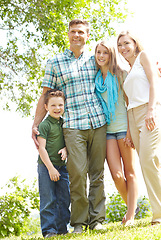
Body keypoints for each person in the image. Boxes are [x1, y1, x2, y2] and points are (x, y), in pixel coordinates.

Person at [32, 19, 107, 233]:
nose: (77, 35)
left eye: (81, 32)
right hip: (73, 125)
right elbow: (46, 94)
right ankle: (79, 222)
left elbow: (117, 71)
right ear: (68, 34)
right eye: (73, 31)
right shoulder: (54, 62)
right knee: (77, 174)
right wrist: (36, 123)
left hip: (98, 121)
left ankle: (97, 220)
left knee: (97, 173)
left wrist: (151, 68)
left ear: (87, 36)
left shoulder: (95, 59)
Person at [117, 30, 161, 225]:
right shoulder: (127, 70)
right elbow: (128, 102)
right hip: (133, 116)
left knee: (149, 161)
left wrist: (151, 109)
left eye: (126, 43)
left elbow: (154, 82)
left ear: (135, 43)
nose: (123, 48)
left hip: (148, 111)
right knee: (154, 164)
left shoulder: (144, 56)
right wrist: (128, 130)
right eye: (120, 45)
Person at [94, 40, 139, 226]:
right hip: (107, 131)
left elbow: (130, 103)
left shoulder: (121, 75)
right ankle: (132, 204)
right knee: (117, 175)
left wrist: (130, 130)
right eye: (98, 52)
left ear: (111, 54)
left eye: (105, 52)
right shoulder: (95, 79)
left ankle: (130, 215)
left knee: (130, 173)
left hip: (123, 128)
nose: (102, 56)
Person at [37, 89, 70, 238]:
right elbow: (41, 149)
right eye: (53, 106)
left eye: (60, 105)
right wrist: (50, 168)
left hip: (62, 167)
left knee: (64, 198)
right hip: (46, 167)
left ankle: (62, 229)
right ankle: (49, 230)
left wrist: (65, 149)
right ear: (46, 107)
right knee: (48, 198)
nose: (57, 108)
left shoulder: (65, 123)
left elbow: (68, 142)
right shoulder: (44, 125)